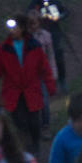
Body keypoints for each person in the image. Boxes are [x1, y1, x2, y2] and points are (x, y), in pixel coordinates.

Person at [0, 14, 56, 158]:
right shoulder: (4, 49)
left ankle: (35, 145)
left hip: (32, 90)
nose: (12, 31)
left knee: (33, 121)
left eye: (15, 27)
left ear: (23, 28)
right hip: (13, 92)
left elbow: (44, 68)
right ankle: (24, 147)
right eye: (10, 28)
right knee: (18, 121)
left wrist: (50, 86)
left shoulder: (34, 47)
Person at [28, 0, 69, 92]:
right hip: (39, 33)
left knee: (57, 55)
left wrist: (59, 17)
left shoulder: (54, 1)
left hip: (54, 32)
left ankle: (61, 80)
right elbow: (29, 14)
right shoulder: (35, 3)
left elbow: (65, 11)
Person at [26, 10, 56, 138]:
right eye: (30, 23)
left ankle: (45, 126)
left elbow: (50, 56)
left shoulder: (45, 36)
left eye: (35, 23)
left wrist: (53, 73)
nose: (33, 26)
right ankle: (29, 126)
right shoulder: (23, 37)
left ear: (39, 23)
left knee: (43, 100)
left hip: (41, 73)